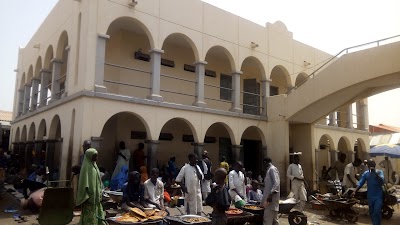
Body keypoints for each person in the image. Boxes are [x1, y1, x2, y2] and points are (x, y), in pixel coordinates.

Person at [75, 148, 104, 225]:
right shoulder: (86, 168)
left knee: (97, 213)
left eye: (97, 156)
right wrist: (86, 196)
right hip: (89, 197)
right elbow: (84, 183)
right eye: (95, 156)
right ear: (89, 156)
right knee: (90, 216)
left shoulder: (95, 166)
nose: (96, 158)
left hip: (96, 197)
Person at [351, 160, 384, 225]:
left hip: (378, 196)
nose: (371, 166)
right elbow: (360, 183)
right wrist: (355, 191)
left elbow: (381, 181)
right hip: (370, 197)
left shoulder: (379, 172)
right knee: (371, 212)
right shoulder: (366, 173)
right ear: (368, 166)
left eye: (373, 164)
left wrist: (375, 174)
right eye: (370, 165)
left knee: (377, 211)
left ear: (374, 165)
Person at [261, 157, 280, 225]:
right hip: (271, 199)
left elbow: (276, 183)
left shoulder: (272, 169)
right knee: (274, 220)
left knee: (267, 219)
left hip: (270, 199)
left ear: (265, 162)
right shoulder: (269, 170)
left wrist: (270, 195)